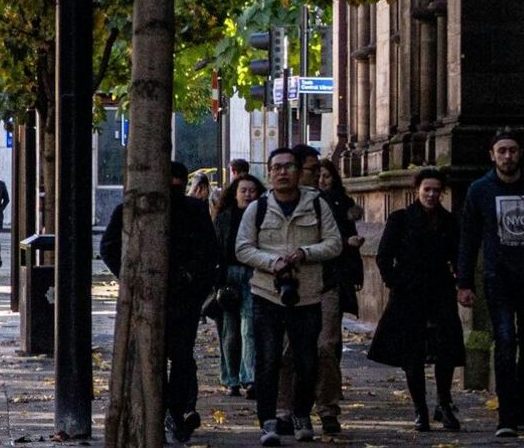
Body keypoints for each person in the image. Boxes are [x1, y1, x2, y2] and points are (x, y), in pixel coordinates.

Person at [102, 161, 219, 444]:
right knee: (163, 357)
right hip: (155, 297)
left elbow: (210, 253)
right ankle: (172, 410)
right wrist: (134, 279)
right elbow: (109, 248)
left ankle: (177, 410)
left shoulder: (192, 211)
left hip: (181, 298)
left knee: (177, 357)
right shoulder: (132, 209)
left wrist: (192, 283)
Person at [457, 130, 524, 438]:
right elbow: (469, 238)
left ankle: (521, 411)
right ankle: (506, 416)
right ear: (492, 155)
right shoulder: (480, 190)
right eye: (502, 151)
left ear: (521, 153)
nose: (508, 156)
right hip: (498, 279)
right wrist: (464, 282)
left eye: (513, 150)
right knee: (505, 343)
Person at [236, 145, 343, 445]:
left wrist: (304, 254)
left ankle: (301, 414)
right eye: (277, 167)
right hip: (266, 295)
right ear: (269, 173)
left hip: (307, 294)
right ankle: (268, 421)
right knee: (269, 360)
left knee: (308, 360)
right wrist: (273, 263)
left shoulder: (318, 206)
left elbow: (334, 244)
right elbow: (242, 247)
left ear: (299, 172)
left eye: (288, 167)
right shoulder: (257, 209)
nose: (282, 172)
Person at [369, 167, 466, 433]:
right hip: (408, 293)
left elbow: (458, 255)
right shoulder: (400, 219)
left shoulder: (449, 221)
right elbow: (384, 256)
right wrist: (396, 282)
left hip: (440, 292)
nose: (432, 195)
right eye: (427, 190)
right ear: (417, 190)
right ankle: (420, 409)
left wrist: (461, 282)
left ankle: (444, 403)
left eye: (436, 190)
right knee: (412, 354)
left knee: (445, 351)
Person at [311, 158, 365, 435]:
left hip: (336, 275)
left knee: (329, 340)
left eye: (326, 176)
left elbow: (349, 233)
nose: (322, 180)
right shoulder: (310, 202)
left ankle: (329, 399)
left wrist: (353, 259)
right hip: (312, 276)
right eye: (318, 175)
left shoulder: (341, 202)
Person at [212, 173, 264, 398]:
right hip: (229, 277)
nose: (248, 194)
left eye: (252, 191)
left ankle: (249, 377)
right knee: (230, 331)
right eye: (243, 190)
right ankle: (230, 378)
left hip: (254, 274)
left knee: (249, 328)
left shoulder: (263, 217)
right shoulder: (224, 218)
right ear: (235, 194)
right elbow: (216, 248)